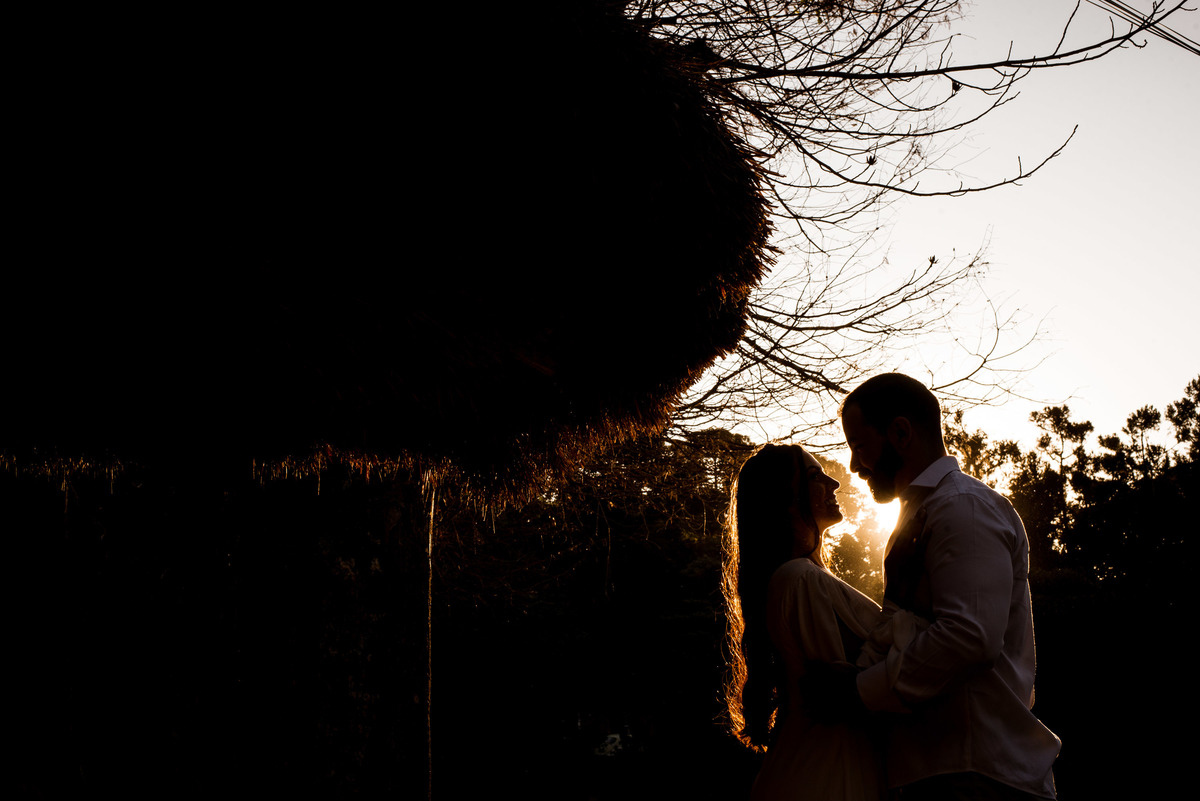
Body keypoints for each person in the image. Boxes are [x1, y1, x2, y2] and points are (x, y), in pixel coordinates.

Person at [832, 372, 1061, 800]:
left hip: (978, 774)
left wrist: (860, 690)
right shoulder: (929, 511)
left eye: (859, 446)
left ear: (900, 432)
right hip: (949, 771)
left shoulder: (962, 508)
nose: (853, 465)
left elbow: (969, 636)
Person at [722, 443, 893, 801]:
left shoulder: (805, 578)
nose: (834, 483)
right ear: (784, 496)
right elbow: (858, 677)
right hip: (824, 775)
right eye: (816, 477)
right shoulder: (799, 580)